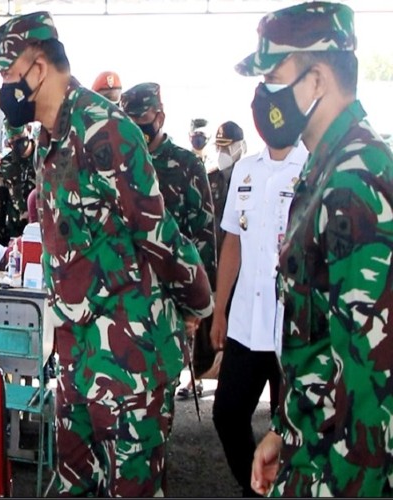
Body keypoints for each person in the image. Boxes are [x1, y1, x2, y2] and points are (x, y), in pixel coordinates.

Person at [0, 12, 213, 496]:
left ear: (38, 68)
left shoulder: (105, 130)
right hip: (76, 360)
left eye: (8, 73)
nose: (4, 86)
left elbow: (157, 233)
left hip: (130, 361)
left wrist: (198, 304)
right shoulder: (50, 137)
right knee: (75, 488)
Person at [236, 3, 393, 497]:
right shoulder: (323, 169)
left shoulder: (356, 180)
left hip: (345, 472)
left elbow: (374, 384)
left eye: (274, 75)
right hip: (314, 451)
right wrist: (287, 430)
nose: (263, 94)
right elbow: (320, 338)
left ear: (318, 78)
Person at [209, 139, 308, 497]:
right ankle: (258, 489)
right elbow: (233, 239)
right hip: (246, 324)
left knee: (294, 427)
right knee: (227, 414)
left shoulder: (311, 168)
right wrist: (220, 309)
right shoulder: (245, 169)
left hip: (294, 330)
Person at [121, 82, 218, 399]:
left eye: (141, 118)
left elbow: (203, 235)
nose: (136, 127)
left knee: (160, 391)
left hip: (171, 298)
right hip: (125, 294)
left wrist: (197, 306)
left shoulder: (186, 164)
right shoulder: (119, 164)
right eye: (129, 120)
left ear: (159, 117)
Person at [0, 121, 37, 246]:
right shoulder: (4, 167)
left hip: (43, 231)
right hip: (15, 235)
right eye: (12, 139)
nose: (17, 142)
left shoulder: (46, 158)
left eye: (19, 136)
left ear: (28, 129)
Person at [208, 121, 247, 257]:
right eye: (219, 147)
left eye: (227, 147)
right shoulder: (210, 178)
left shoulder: (250, 179)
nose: (222, 152)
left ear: (240, 146)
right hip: (214, 252)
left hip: (240, 254)